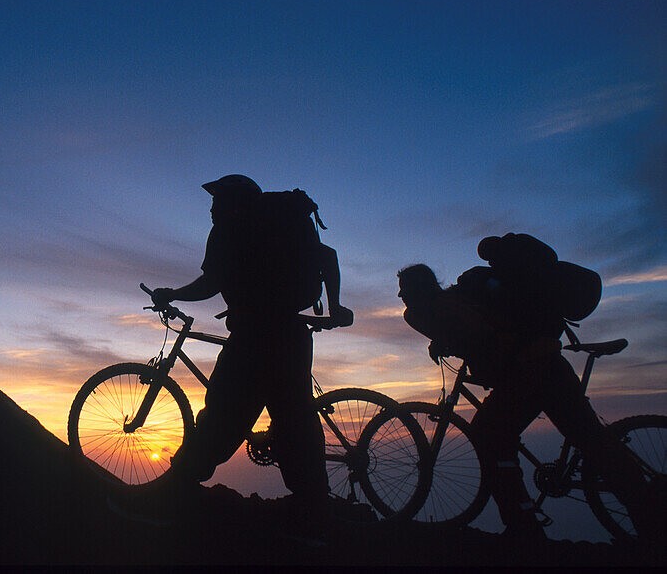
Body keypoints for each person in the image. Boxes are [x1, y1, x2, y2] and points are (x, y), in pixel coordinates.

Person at [397, 255, 663, 543]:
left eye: (403, 288)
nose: (400, 295)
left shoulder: (442, 308)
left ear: (418, 288)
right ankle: (651, 521)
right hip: (548, 362)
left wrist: (449, 341)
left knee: (487, 436)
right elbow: (485, 327)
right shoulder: (460, 299)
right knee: (593, 442)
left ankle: (524, 528)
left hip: (527, 373)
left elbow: (483, 335)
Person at [149, 175, 352, 518]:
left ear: (235, 202)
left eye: (217, 201)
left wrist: (172, 294)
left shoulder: (229, 230)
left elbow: (210, 283)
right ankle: (312, 505)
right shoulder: (282, 224)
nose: (212, 208)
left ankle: (175, 491)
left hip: (253, 338)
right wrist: (335, 306)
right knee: (295, 419)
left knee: (223, 414)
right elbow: (327, 256)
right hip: (291, 334)